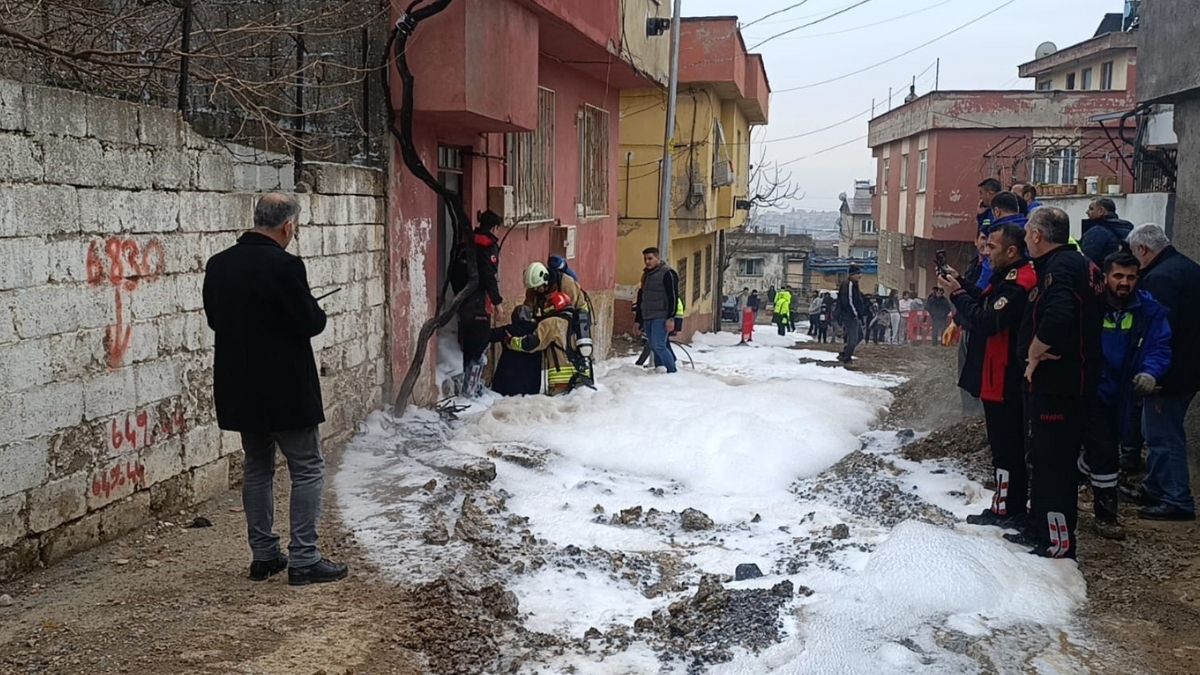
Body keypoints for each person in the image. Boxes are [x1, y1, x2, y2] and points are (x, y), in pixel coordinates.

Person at [202, 193, 348, 586]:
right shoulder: (286, 266)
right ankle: (304, 558)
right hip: (285, 388)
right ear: (287, 226)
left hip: (240, 385)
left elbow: (217, 319)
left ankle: (264, 555)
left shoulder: (218, 265)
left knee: (257, 466)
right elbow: (309, 323)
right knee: (308, 467)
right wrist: (314, 311)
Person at [1017, 206, 1103, 559]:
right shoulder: (1068, 263)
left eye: (1027, 233)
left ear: (1037, 235)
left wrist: (1035, 352)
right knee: (1042, 456)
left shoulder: (1063, 267)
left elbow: (1060, 315)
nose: (1024, 238)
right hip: (1057, 384)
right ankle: (1039, 528)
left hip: (1061, 386)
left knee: (1054, 464)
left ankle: (1058, 540)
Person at [940, 224, 1037, 530]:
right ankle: (1008, 505)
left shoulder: (1019, 281)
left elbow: (988, 319)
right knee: (1004, 445)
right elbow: (985, 299)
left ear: (1012, 251)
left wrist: (955, 294)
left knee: (1006, 447)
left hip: (1005, 376)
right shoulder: (1008, 277)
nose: (985, 252)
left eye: (991, 248)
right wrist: (962, 283)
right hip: (997, 374)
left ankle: (1007, 508)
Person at [1083, 251, 1172, 539]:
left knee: (1105, 450)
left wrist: (1151, 372)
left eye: (1131, 277)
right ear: (1106, 276)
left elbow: (1160, 345)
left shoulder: (1149, 311)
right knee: (1106, 453)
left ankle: (1081, 472)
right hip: (1090, 388)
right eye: (1118, 276)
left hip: (1123, 393)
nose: (1124, 282)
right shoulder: (1091, 306)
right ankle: (1105, 515)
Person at [1124, 224, 1200, 520]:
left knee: (1164, 435)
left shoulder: (1159, 279)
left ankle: (1177, 498)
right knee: (1153, 429)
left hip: (1169, 374)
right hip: (1188, 367)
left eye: (1134, 255)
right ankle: (1154, 486)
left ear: (1143, 250)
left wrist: (1154, 373)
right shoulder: (1188, 268)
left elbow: (1159, 333)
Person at [450, 210, 503, 398]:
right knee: (480, 347)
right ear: (495, 227)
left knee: (469, 346)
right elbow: (489, 275)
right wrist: (497, 301)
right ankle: (471, 392)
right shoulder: (488, 246)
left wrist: (460, 296)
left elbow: (454, 271)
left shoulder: (466, 242)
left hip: (463, 301)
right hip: (480, 303)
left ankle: (469, 388)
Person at [634, 247, 680, 374]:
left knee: (658, 345)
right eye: (645, 259)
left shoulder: (667, 273)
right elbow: (641, 297)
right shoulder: (646, 275)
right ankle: (660, 368)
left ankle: (672, 372)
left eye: (650, 258)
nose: (647, 262)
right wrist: (638, 320)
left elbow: (673, 297)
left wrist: (671, 318)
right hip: (648, 315)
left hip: (661, 315)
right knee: (656, 345)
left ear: (658, 258)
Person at [976, 192, 1027, 291]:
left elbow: (987, 275)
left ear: (996, 212)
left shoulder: (998, 234)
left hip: (1001, 290)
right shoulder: (1029, 228)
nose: (987, 251)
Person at [1079, 198, 1134, 266]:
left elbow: (1086, 260)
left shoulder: (1097, 231)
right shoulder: (1124, 228)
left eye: (1091, 208)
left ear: (1101, 211)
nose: (1087, 212)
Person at [836, 265, 869, 364]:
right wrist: (855, 313)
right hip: (850, 315)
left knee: (859, 336)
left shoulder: (854, 284)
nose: (860, 276)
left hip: (854, 315)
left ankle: (845, 353)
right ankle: (847, 358)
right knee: (853, 338)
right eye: (858, 273)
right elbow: (848, 301)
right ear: (852, 275)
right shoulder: (849, 284)